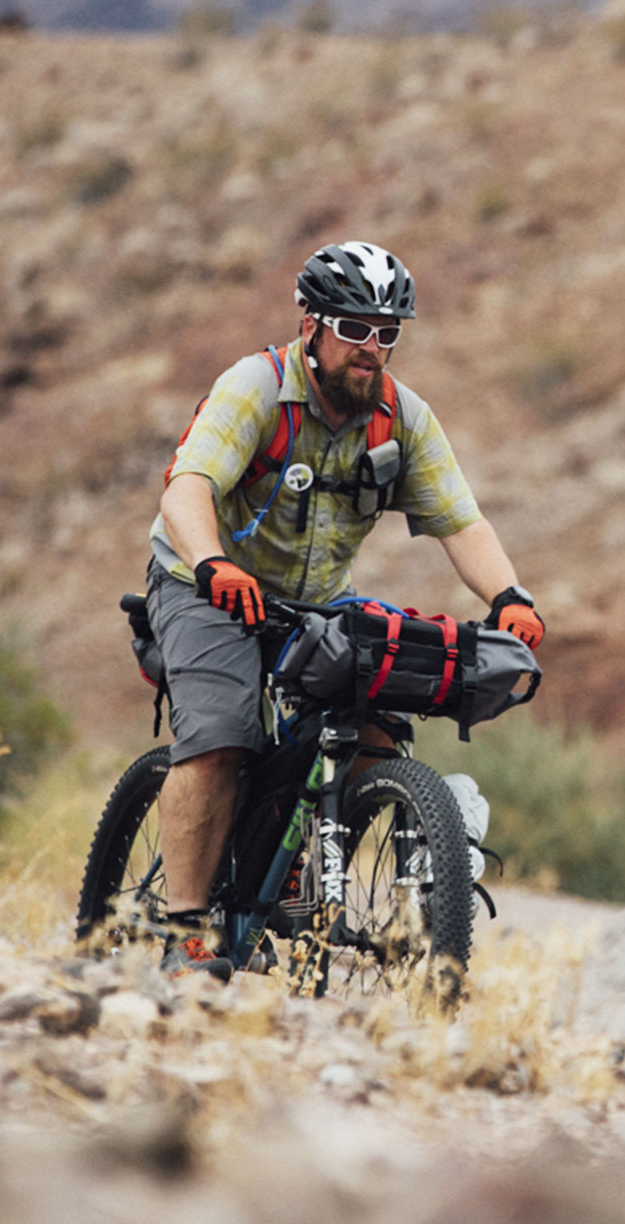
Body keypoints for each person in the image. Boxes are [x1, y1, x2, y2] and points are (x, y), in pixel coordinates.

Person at [145, 241, 543, 979]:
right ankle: (189, 934)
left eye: (388, 333)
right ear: (312, 327)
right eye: (356, 329)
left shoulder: (404, 418)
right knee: (222, 737)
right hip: (205, 584)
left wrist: (510, 598)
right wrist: (213, 565)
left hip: (315, 605)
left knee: (374, 728)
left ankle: (294, 882)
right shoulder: (255, 388)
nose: (372, 348)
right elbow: (186, 489)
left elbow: (462, 524)